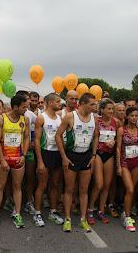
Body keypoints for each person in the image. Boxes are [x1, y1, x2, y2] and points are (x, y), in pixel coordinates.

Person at [56, 93, 97, 233]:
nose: (94, 106)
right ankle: (67, 219)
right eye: (92, 104)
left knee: (84, 190)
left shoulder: (94, 117)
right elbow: (58, 135)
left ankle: (83, 219)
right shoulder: (70, 116)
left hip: (86, 156)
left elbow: (96, 136)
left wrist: (93, 154)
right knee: (69, 189)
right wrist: (63, 157)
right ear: (83, 103)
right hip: (71, 155)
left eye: (95, 104)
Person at [0, 94, 30, 229]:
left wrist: (24, 155)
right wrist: (2, 160)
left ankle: (17, 213)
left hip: (18, 158)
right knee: (0, 187)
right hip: (4, 159)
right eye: (24, 107)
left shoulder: (26, 119)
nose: (26, 109)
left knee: (17, 186)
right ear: (15, 106)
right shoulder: (1, 119)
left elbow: (26, 138)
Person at [89, 98, 121, 225]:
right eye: (108, 108)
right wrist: (94, 152)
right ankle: (90, 209)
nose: (111, 111)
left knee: (107, 185)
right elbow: (94, 138)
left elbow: (119, 140)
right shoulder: (97, 121)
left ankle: (101, 211)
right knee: (99, 184)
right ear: (101, 109)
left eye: (112, 109)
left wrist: (114, 142)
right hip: (98, 154)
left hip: (109, 155)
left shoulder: (116, 122)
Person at [33, 93, 64, 227]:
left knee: (55, 184)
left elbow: (61, 138)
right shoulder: (41, 117)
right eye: (57, 102)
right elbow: (37, 140)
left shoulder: (59, 118)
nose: (60, 104)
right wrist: (40, 161)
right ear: (50, 102)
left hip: (56, 153)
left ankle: (53, 211)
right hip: (45, 153)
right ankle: (38, 213)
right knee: (42, 185)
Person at [116, 106, 138, 232]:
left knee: (133, 190)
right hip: (125, 163)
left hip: (136, 163)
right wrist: (118, 166)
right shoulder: (122, 130)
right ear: (127, 116)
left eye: (136, 115)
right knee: (130, 189)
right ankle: (127, 217)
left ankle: (126, 212)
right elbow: (118, 148)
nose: (134, 118)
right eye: (131, 115)